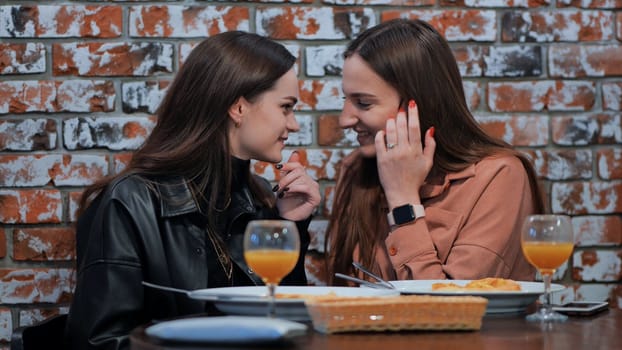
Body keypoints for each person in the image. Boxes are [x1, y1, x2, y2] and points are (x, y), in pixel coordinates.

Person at [65, 31, 320, 349]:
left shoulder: (259, 201)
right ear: (238, 108)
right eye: (286, 107)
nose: (294, 124)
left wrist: (291, 226)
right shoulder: (130, 202)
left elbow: (287, 328)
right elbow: (100, 342)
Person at [326, 19, 543, 285]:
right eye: (345, 100)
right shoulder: (356, 170)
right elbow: (342, 294)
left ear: (416, 104)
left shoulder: (499, 176)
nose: (345, 119)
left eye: (363, 103)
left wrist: (402, 200)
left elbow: (456, 307)